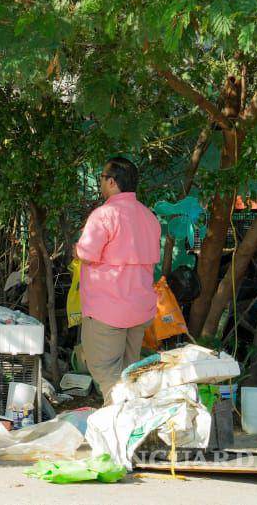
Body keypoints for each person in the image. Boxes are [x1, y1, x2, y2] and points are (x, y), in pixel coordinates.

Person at [75, 157, 161, 401]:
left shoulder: (104, 215)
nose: (101, 183)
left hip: (108, 311)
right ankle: (136, 430)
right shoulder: (149, 217)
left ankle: (119, 432)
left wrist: (76, 249)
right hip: (140, 310)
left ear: (112, 182)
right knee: (129, 374)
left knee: (108, 375)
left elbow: (86, 254)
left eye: (102, 178)